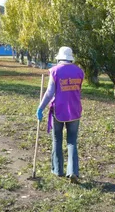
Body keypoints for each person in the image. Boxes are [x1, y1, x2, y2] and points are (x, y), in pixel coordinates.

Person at [36, 46, 84, 184]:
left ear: (59, 58)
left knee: (57, 139)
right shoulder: (80, 71)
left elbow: (50, 92)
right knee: (72, 141)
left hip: (59, 110)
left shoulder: (55, 71)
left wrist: (40, 108)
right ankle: (73, 171)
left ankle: (57, 170)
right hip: (75, 110)